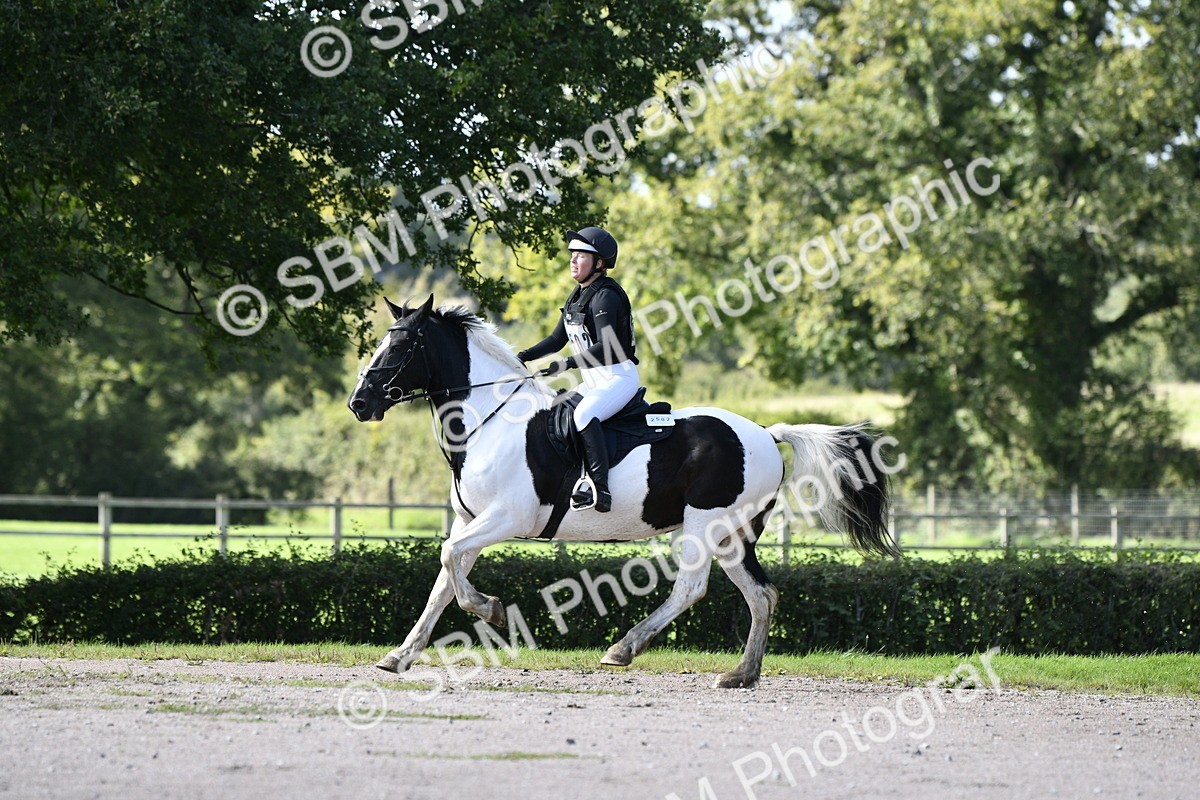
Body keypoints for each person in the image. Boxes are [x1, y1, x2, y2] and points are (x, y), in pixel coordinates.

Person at [518, 226, 639, 513]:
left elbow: (609, 346)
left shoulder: (606, 296)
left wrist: (568, 364)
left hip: (617, 377)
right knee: (557, 409)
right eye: (572, 254)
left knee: (584, 413)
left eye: (581, 255)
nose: (573, 260)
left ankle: (600, 487)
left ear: (599, 263)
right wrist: (523, 356)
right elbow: (557, 339)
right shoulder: (578, 294)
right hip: (595, 381)